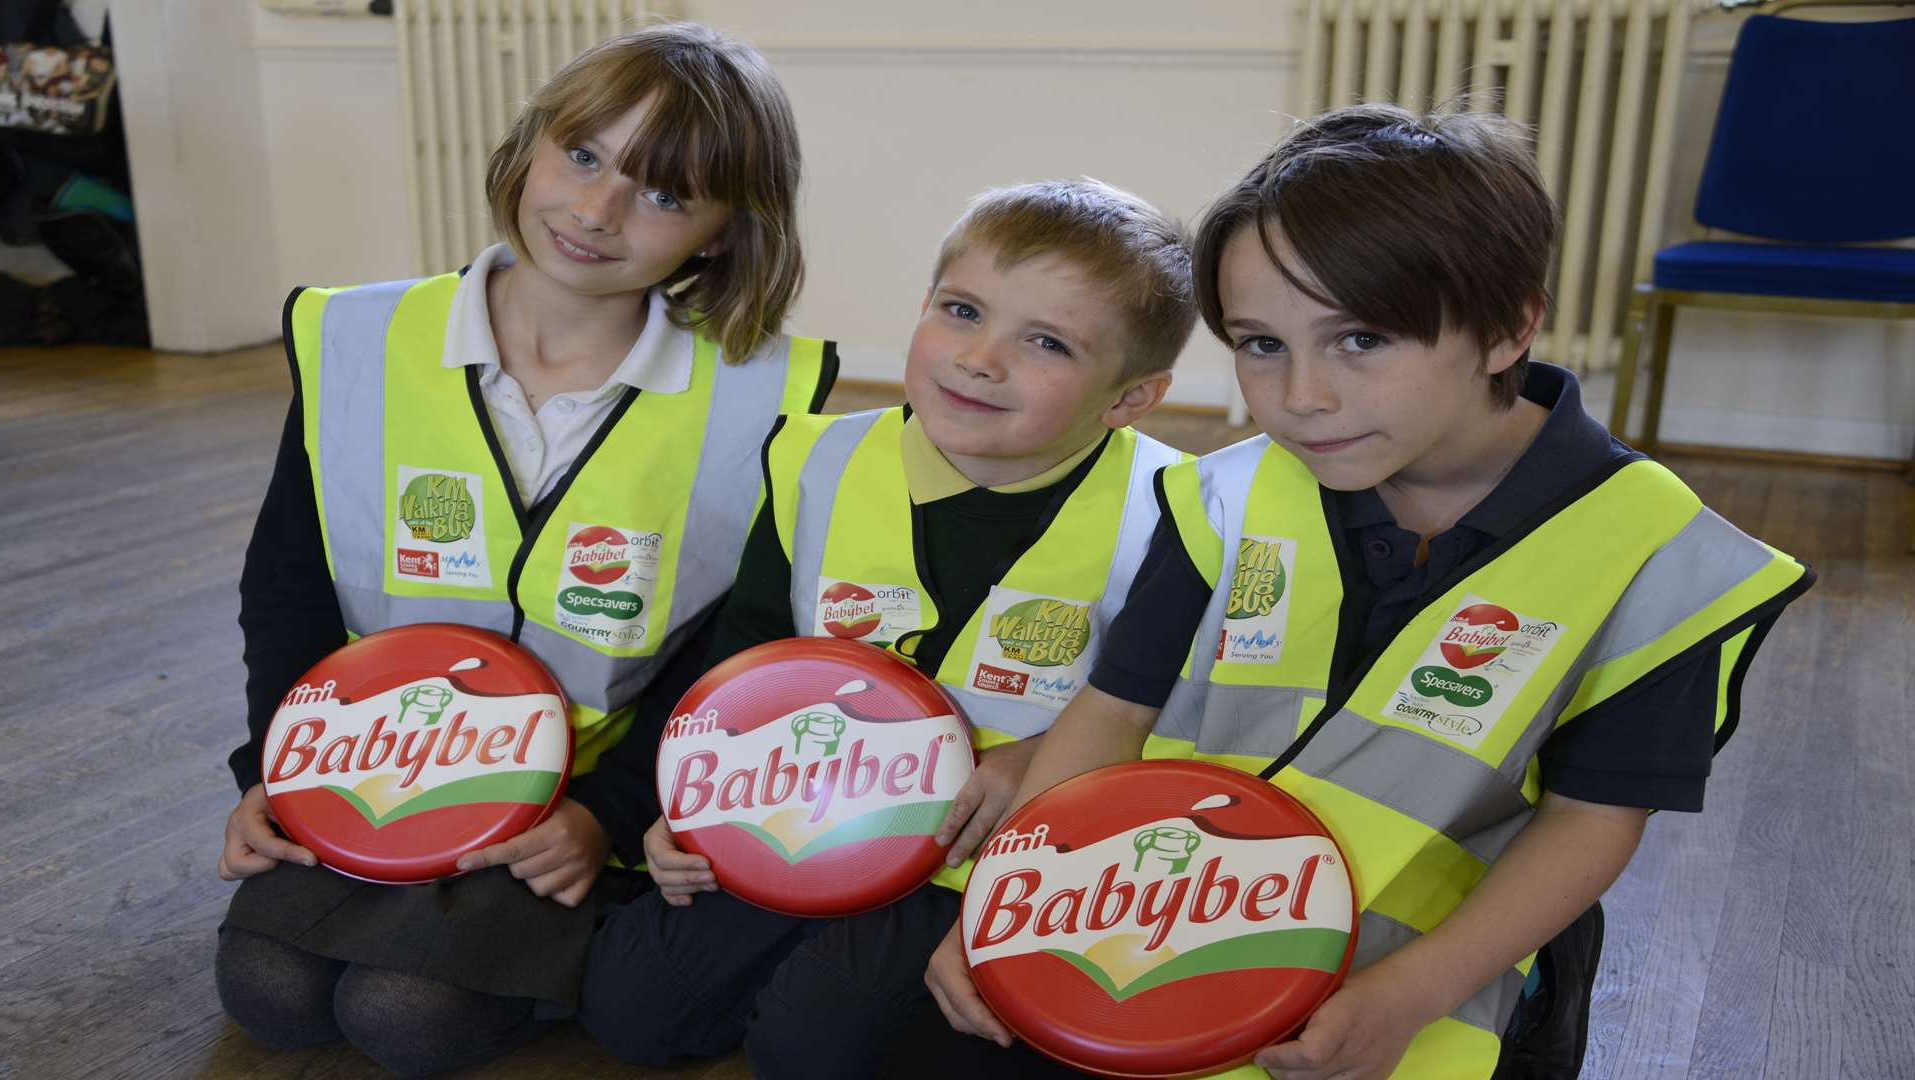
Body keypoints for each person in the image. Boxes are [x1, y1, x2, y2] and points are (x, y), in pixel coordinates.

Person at [915, 104, 1814, 1080]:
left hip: (1437, 989)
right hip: (1169, 926)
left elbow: (1593, 818)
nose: (1301, 395)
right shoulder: (1228, 490)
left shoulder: (1655, 551)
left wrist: (1411, 994)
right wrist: (1008, 901)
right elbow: (1114, 705)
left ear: (1509, 326)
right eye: (1261, 344)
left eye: (1361, 340)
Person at [213, 23, 836, 1077]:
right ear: (529, 145)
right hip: (375, 772)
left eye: (665, 194)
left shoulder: (763, 398)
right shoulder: (355, 335)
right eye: (582, 155)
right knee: (271, 994)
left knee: (405, 1015)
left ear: (727, 232)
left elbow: (730, 660)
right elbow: (288, 591)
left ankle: (585, 945)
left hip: (573, 807)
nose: (596, 211)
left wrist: (611, 813)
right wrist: (277, 770)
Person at [577, 178, 1199, 1079]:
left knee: (809, 1045)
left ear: (1130, 398)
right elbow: (738, 666)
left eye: (1047, 342)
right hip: (805, 813)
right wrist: (694, 802)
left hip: (979, 856)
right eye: (962, 310)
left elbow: (1181, 722)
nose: (980, 359)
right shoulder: (817, 458)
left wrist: (1037, 760)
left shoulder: (1177, 514)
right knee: (629, 1007)